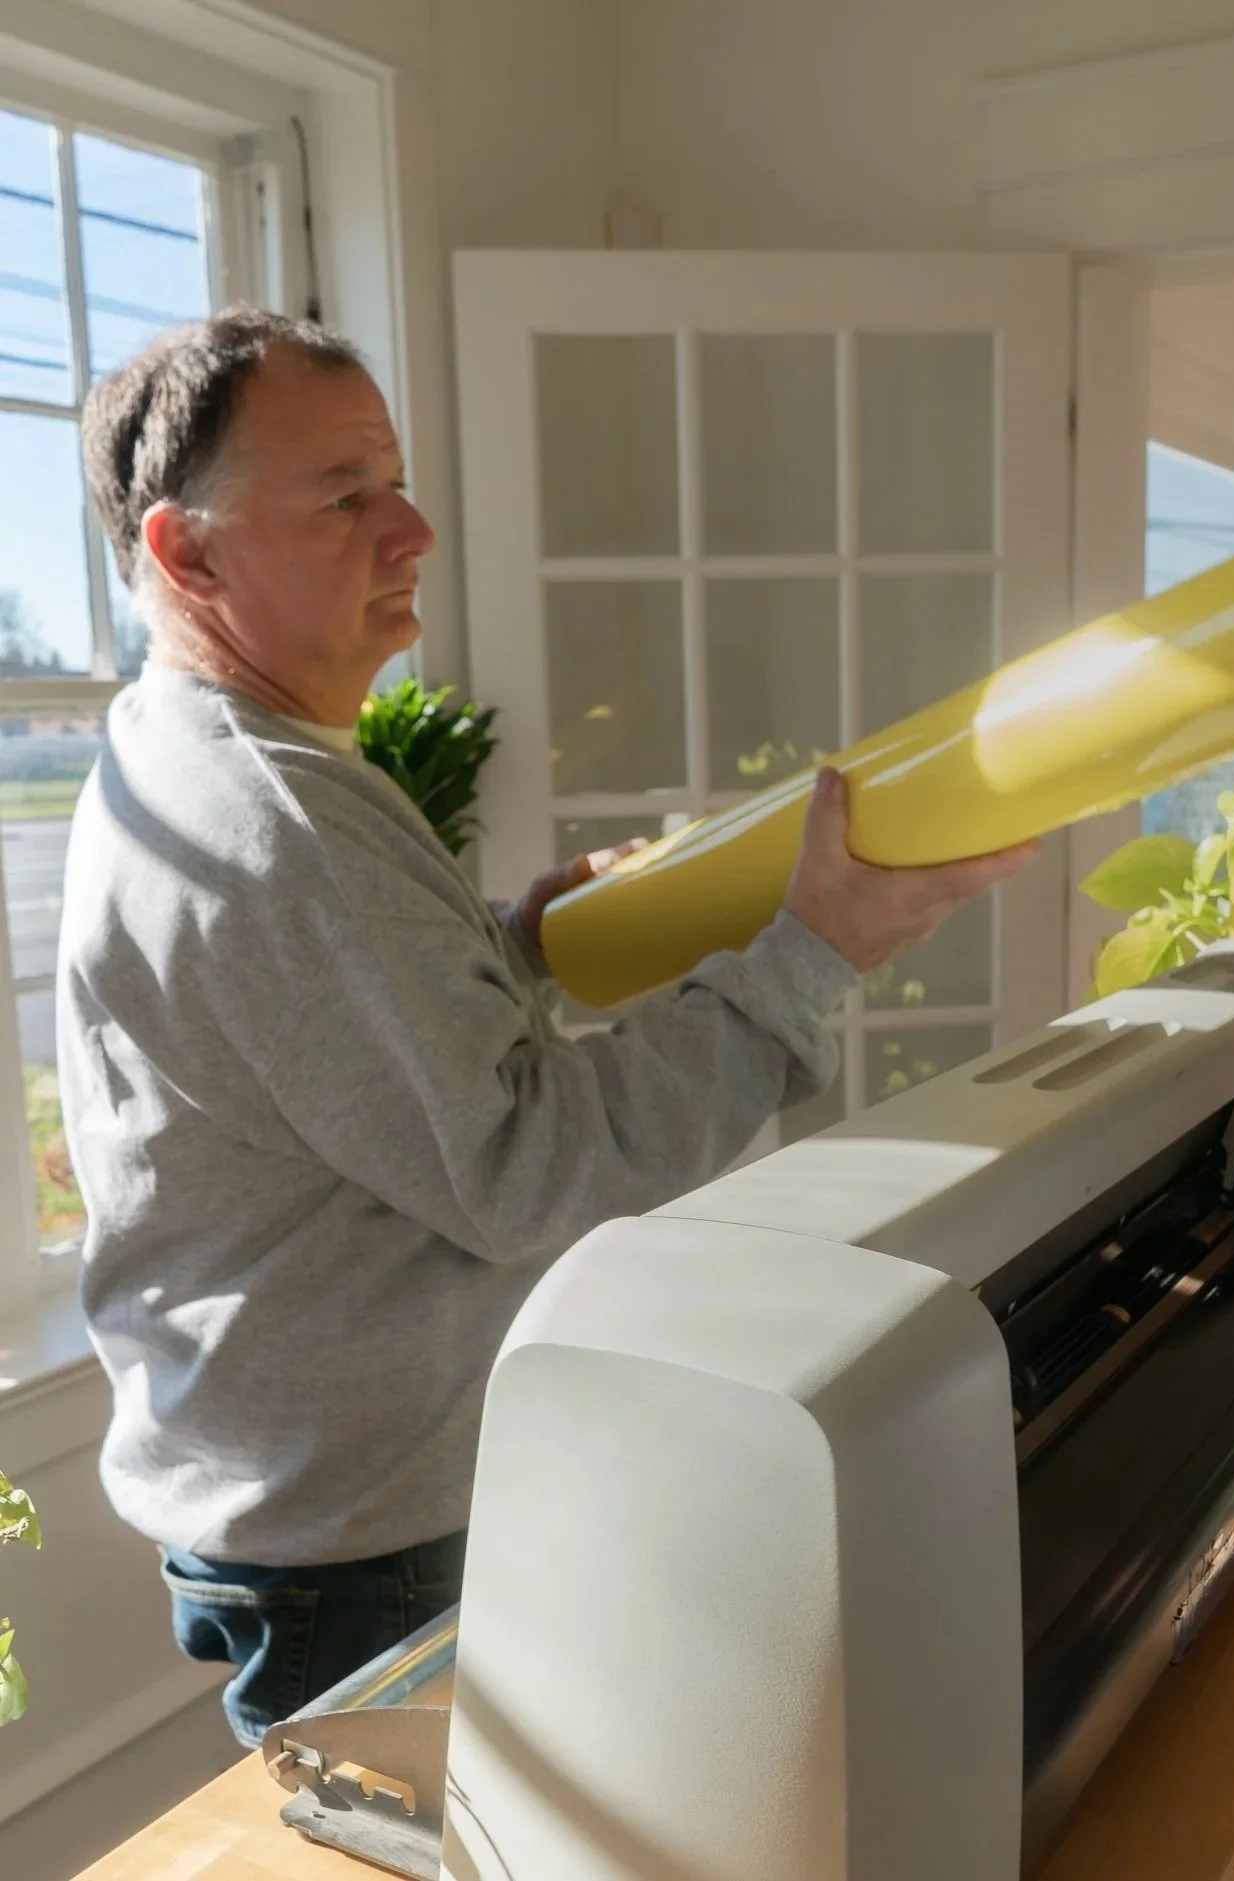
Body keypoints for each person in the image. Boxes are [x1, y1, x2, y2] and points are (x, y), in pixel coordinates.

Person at [59, 307, 1037, 1748]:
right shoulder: (270, 823)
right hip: (369, 1560)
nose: (414, 530)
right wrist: (818, 951)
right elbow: (534, 1169)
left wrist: (510, 951)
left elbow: (346, 1081)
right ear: (184, 552)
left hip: (324, 1515)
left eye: (393, 481)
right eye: (345, 498)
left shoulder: (200, 762)